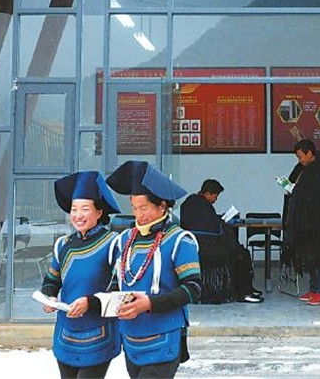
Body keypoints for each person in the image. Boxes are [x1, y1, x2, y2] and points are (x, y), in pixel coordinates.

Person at [105, 160, 202, 379]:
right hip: (131, 337)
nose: (139, 215)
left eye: (144, 208)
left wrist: (149, 304)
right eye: (134, 208)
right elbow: (116, 282)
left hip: (164, 337)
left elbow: (193, 289)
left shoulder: (180, 240)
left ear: (162, 206)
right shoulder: (124, 240)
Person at [40, 170, 123, 379]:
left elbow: (119, 289)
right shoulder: (63, 244)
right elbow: (52, 280)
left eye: (85, 209)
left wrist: (89, 302)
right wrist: (49, 297)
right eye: (74, 209)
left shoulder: (114, 243)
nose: (78, 215)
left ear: (99, 212)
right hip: (66, 333)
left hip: (99, 333)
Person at [179, 179, 263, 304]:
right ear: (207, 193)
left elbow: (206, 223)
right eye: (215, 196)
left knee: (239, 251)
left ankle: (247, 289)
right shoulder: (203, 206)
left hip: (196, 246)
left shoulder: (190, 203)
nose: (216, 199)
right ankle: (244, 292)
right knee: (242, 254)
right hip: (208, 248)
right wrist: (223, 222)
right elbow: (212, 228)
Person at [282, 139, 320, 306]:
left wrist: (297, 192)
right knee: (308, 256)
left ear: (310, 153)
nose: (300, 160)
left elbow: (319, 196)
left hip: (318, 222)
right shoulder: (303, 168)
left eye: (301, 157)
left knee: (318, 256)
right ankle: (314, 289)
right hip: (305, 222)